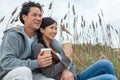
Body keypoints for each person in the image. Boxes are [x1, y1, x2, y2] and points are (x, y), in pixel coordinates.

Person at [34, 17, 117, 80]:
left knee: (106, 64)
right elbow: (49, 73)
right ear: (42, 30)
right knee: (110, 78)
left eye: (56, 28)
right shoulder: (39, 47)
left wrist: (68, 72)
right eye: (51, 28)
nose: (55, 31)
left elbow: (71, 64)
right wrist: (66, 59)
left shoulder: (55, 46)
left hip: (73, 77)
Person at [0, 1, 55, 80]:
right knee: (24, 71)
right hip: (11, 74)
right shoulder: (12, 35)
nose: (39, 18)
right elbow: (6, 62)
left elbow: (61, 52)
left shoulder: (41, 35)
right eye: (34, 15)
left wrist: (66, 70)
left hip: (34, 74)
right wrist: (36, 63)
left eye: (40, 16)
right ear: (24, 17)